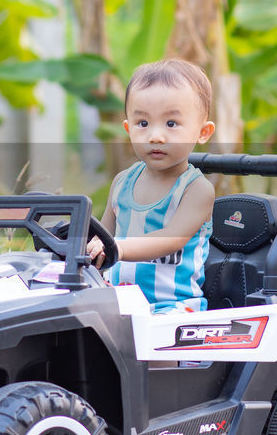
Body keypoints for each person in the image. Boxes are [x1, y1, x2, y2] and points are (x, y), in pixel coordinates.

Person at [87, 59, 216, 312]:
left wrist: (117, 247)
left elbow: (170, 240)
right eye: (143, 124)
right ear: (128, 129)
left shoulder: (196, 189)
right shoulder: (122, 182)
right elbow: (103, 235)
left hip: (172, 307)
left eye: (171, 124)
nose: (155, 136)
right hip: (117, 300)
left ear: (202, 132)